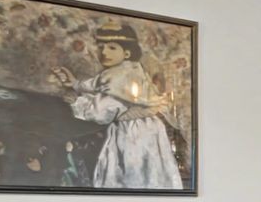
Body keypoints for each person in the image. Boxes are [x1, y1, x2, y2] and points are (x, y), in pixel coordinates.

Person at [49, 23, 183, 189]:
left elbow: (101, 112)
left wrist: (76, 102)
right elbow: (99, 86)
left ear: (126, 52)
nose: (104, 52)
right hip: (149, 130)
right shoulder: (129, 70)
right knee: (152, 172)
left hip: (133, 133)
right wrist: (76, 83)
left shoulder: (120, 76)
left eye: (112, 47)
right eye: (101, 47)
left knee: (130, 175)